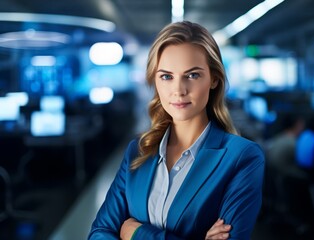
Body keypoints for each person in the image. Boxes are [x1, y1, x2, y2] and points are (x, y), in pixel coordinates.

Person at [88, 21, 265, 240]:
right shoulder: (138, 151)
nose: (178, 90)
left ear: (214, 79)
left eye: (192, 75)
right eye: (166, 76)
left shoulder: (242, 157)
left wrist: (137, 233)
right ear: (155, 81)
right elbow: (99, 233)